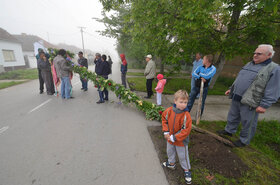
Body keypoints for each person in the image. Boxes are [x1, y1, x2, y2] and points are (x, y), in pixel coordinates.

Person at [217, 44, 280, 147]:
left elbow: (274, 88)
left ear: (269, 55)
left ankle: (243, 141)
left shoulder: (274, 68)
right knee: (233, 116)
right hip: (236, 96)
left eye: (259, 54)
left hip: (252, 100)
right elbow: (240, 78)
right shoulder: (249, 64)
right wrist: (231, 89)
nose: (255, 55)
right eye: (254, 53)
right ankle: (229, 131)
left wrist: (264, 105)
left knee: (248, 122)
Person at [162, 90, 192, 184]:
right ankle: (171, 163)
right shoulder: (169, 111)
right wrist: (166, 132)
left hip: (181, 141)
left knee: (183, 156)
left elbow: (185, 129)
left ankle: (186, 170)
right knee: (170, 151)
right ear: (175, 101)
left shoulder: (186, 115)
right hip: (169, 138)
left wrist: (174, 137)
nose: (183, 104)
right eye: (181, 102)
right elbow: (164, 120)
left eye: (185, 102)